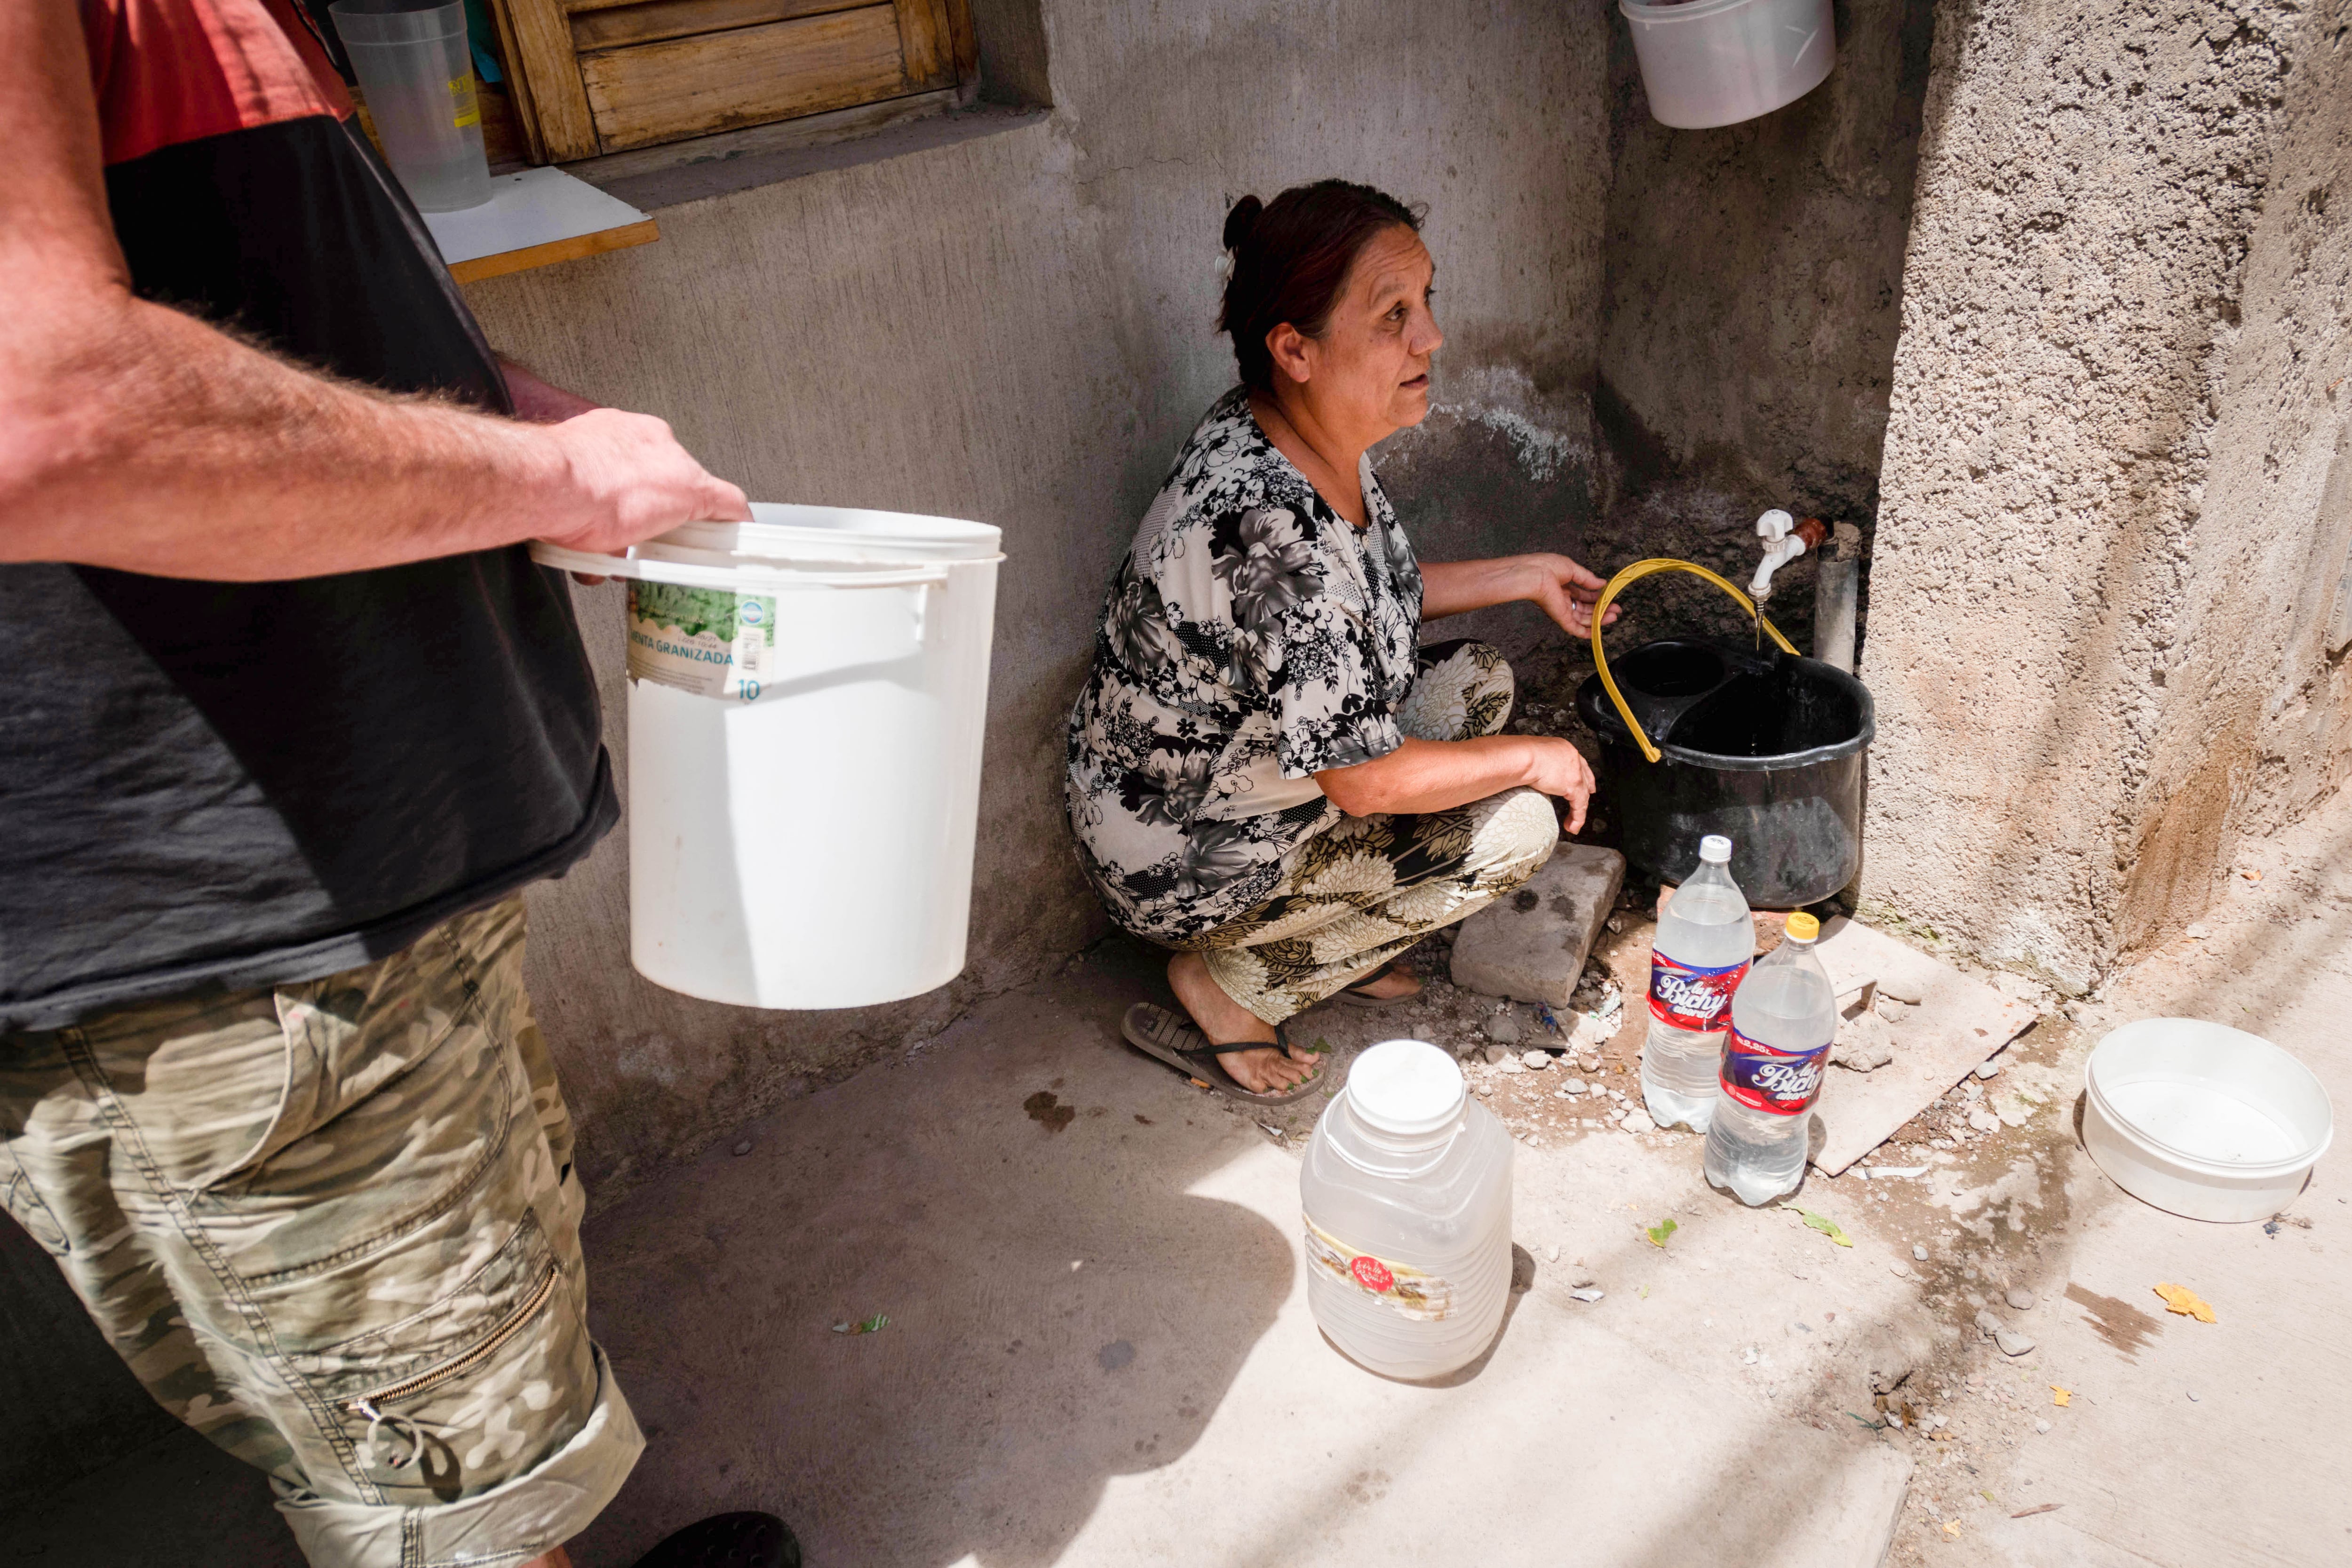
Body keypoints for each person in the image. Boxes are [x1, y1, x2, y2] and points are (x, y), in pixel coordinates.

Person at [0, 3, 789, 1565]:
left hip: (360, 893)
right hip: (232, 956)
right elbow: (48, 416)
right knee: (442, 1502)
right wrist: (553, 479)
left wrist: (501, 408)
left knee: (485, 1412)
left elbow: (261, 325)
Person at [1066, 179, 1618, 1103]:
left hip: (1228, 775)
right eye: (1393, 314)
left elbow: (1373, 600)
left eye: (1425, 300)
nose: (1429, 336)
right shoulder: (1263, 521)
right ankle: (1231, 979)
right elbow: (1362, 778)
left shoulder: (1287, 429)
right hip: (1176, 849)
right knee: (1517, 820)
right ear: (1296, 349)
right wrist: (1541, 755)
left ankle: (1322, 918)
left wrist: (1523, 573)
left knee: (1474, 681)